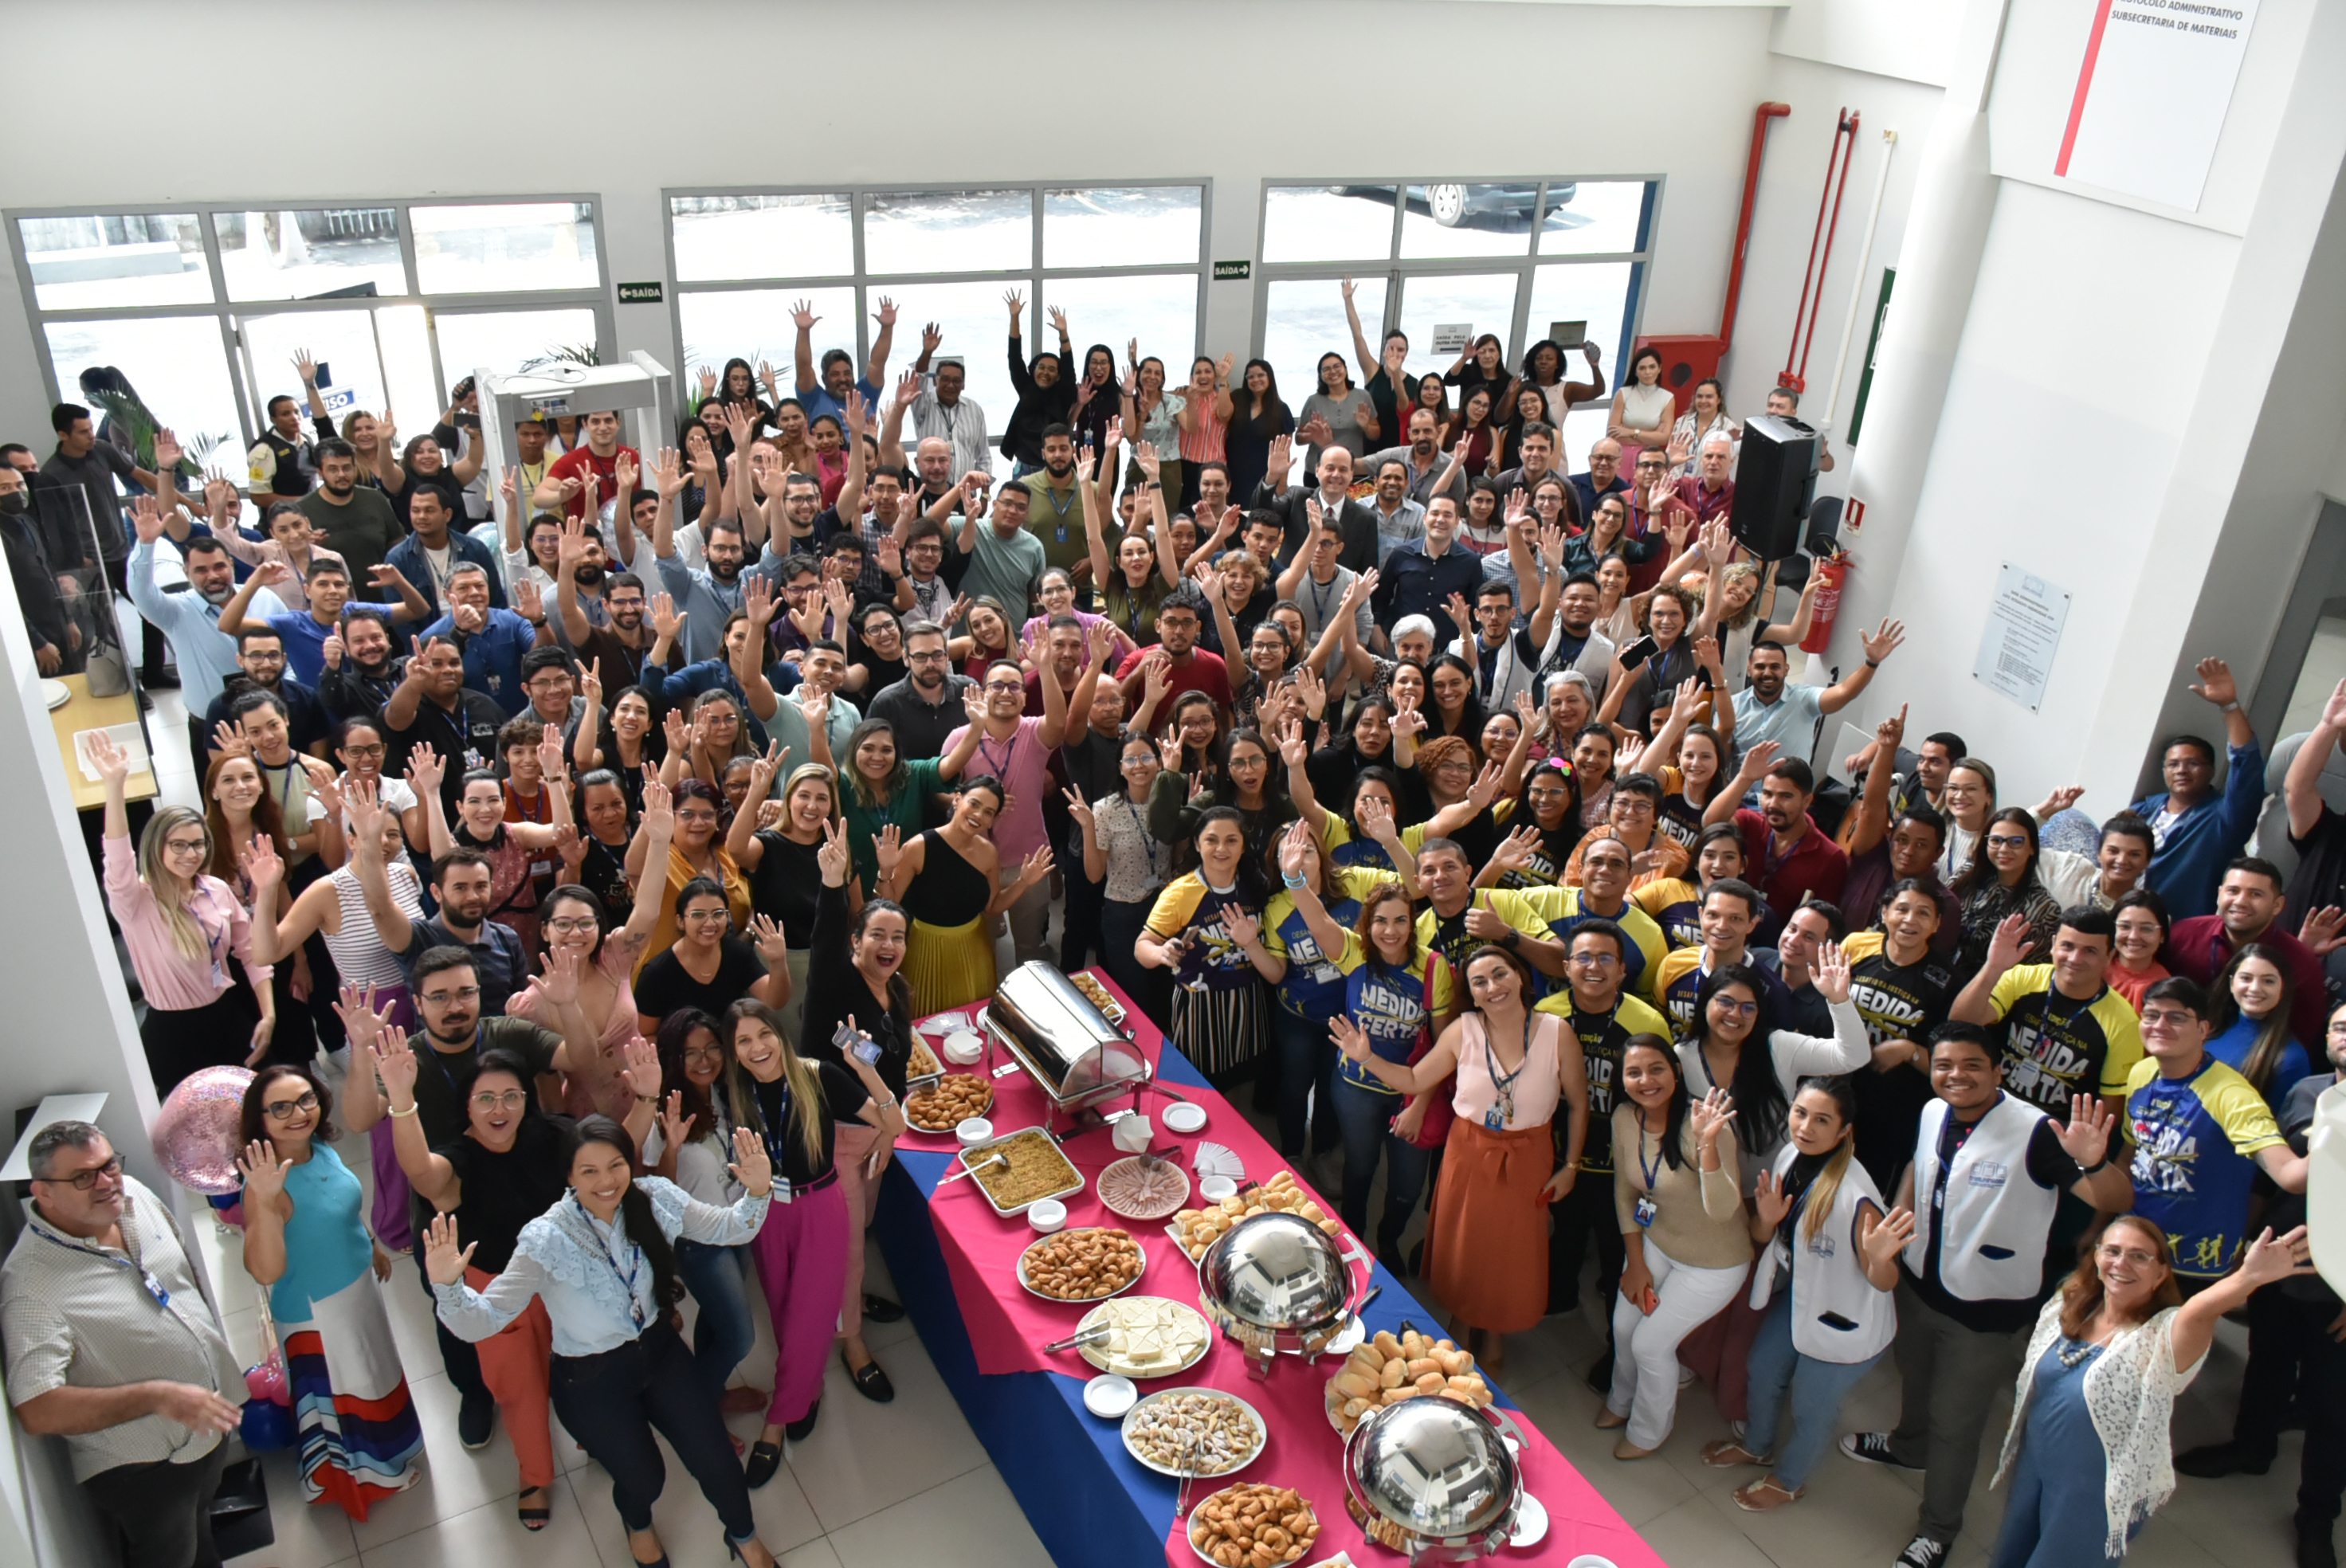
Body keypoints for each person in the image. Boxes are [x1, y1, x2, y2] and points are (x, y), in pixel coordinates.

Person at [426, 1112, 787, 1568]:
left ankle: (744, 1537)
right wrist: (448, 1287)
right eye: (588, 1171)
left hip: (659, 1352)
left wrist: (758, 1190)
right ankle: (638, 1525)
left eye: (616, 1165)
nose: (606, 1182)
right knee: (644, 1478)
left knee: (716, 1458)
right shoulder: (546, 1239)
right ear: (569, 1176)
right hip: (590, 1379)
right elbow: (485, 1318)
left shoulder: (653, 1198)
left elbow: (728, 1227)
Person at [1837, 1025, 2135, 1568]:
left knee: (1956, 1421)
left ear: (2000, 1071)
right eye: (1945, 1065)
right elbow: (1917, 1167)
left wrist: (2093, 1161)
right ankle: (1908, 1447)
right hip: (1920, 1284)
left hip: (1985, 1311)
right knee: (1916, 1378)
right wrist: (1897, 1222)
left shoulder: (2037, 1132)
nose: (1956, 1075)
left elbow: (2117, 1195)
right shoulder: (1932, 1111)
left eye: (1972, 1065)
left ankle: (1939, 1529)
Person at [1985, 1216, 2311, 1565]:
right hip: (2036, 1466)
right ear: (2096, 1257)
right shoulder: (2073, 1302)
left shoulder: (2160, 1337)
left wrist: (2248, 1278)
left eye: (2139, 1256)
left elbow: (2200, 1312)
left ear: (2160, 1273)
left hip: (2093, 1493)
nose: (2121, 1263)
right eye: (2112, 1250)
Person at [1, 1121, 245, 1568]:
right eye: (82, 1177)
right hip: (147, 1466)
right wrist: (155, 1396)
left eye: (108, 1165)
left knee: (202, 1536)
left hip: (206, 1425)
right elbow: (38, 1408)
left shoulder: (131, 1192)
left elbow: (181, 1271)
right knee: (171, 1556)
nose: (105, 1183)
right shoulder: (31, 1286)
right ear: (43, 1192)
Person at [1336, 944, 1587, 1372]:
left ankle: (1495, 1328)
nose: (1493, 987)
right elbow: (1415, 1078)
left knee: (1511, 1249)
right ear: (1470, 994)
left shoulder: (1556, 1032)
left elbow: (1579, 1104)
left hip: (1528, 1155)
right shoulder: (1463, 1029)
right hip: (1469, 1150)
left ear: (1520, 977)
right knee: (1467, 1242)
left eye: (1500, 974)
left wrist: (1571, 1167)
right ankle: (1464, 1317)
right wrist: (1369, 1058)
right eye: (1480, 982)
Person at [2171, 1002, 2346, 1568]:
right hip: (2279, 1263)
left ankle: (2316, 1515)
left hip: (2339, 1289)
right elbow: (2274, 1178)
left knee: (2333, 1408)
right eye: (2341, 1025)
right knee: (2265, 1365)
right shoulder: (2308, 1091)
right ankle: (2251, 1449)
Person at [1700, 1076, 1916, 1512]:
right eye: (1800, 1113)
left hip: (1847, 1320)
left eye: (1822, 1120)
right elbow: (1767, 1234)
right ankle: (1758, 1445)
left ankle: (1790, 1479)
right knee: (1761, 1369)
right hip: (1804, 1298)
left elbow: (1884, 1282)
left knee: (1811, 1406)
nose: (1806, 1127)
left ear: (1844, 1131)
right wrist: (1767, 1218)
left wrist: (1879, 1258)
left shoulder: (1856, 1199)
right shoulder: (1790, 1155)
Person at [230, 1067, 422, 1517]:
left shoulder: (318, 1147)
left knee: (373, 1374)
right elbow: (265, 1269)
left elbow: (339, 1208)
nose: (298, 1114)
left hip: (357, 1290)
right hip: (318, 1314)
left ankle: (390, 1452)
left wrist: (371, 1247)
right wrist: (261, 1200)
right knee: (347, 1393)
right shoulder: (263, 1184)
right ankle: (364, 1478)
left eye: (306, 1100)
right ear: (259, 1120)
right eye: (280, 1108)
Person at [718, 997, 896, 1466]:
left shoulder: (818, 1075)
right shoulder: (735, 1093)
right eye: (744, 1041)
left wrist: (865, 1069)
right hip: (767, 1211)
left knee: (809, 1313)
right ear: (733, 1051)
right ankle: (807, 1389)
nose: (758, 1048)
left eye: (763, 1034)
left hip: (820, 1207)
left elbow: (892, 1122)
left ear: (779, 1033)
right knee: (780, 1308)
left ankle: (777, 1420)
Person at [90, 731, 273, 1092]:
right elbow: (117, 857)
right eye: (178, 845)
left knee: (244, 1106)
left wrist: (268, 1013)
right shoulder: (136, 901)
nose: (191, 854)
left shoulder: (216, 890)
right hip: (173, 1031)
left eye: (198, 844)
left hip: (226, 1015)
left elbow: (252, 953)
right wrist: (115, 786)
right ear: (157, 847)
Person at [801, 820, 916, 1401]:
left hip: (878, 1134)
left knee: (861, 1227)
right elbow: (822, 944)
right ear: (856, 940)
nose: (889, 946)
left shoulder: (894, 990)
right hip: (839, 1135)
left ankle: (850, 1299)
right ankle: (851, 1340)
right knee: (847, 1248)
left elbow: (894, 1058)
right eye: (877, 935)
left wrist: (891, 1135)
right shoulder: (836, 985)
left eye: (898, 936)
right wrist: (830, 881)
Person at [1599, 1045, 1747, 1458]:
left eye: (1656, 1069)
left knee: (1650, 1344)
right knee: (1624, 1326)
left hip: (1713, 1263)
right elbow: (1626, 1190)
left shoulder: (1705, 1125)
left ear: (1676, 1071)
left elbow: (1722, 1212)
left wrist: (1708, 1148)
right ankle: (1619, 1402)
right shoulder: (1625, 1118)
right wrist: (1637, 1262)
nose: (1646, 1080)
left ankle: (1648, 1433)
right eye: (1634, 1072)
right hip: (1657, 1242)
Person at [2123, 977, 2309, 1288]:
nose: (2160, 1025)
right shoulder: (2142, 1072)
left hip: (2195, 1263)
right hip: (2134, 1247)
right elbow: (2130, 1153)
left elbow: (2290, 1175)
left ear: (2204, 1030)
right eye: (2151, 1015)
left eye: (2177, 1017)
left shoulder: (2232, 1095)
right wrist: (2100, 1226)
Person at [877, 776, 1052, 1013]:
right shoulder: (919, 847)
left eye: (989, 812)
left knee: (974, 1015)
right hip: (926, 947)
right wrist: (886, 871)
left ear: (992, 821)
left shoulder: (988, 853)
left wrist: (1023, 882)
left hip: (974, 947)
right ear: (957, 800)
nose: (979, 815)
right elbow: (887, 904)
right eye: (975, 804)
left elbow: (992, 907)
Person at [942, 653, 1071, 966]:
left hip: (1028, 861)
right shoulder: (962, 737)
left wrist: (1044, 666)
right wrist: (978, 806)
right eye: (996, 685)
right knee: (983, 948)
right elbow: (940, 793)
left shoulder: (1033, 732)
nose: (1005, 693)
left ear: (1025, 697)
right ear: (983, 692)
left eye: (1014, 687)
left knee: (1030, 948)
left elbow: (1058, 723)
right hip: (974, 860)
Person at [2128, 657, 2265, 919]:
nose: (2181, 770)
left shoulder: (2222, 820)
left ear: (2211, 771)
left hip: (2179, 933)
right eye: (2173, 764)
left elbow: (2246, 765)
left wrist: (2229, 706)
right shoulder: (2143, 811)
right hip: (2124, 925)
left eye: (2193, 763)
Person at [2166, 857, 2332, 1050]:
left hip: (2258, 1059)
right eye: (2233, 891)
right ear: (2219, 895)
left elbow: (2301, 1037)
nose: (2241, 901)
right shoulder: (2183, 935)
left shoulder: (2301, 964)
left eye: (2255, 894)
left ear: (2277, 905)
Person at [2205, 943, 2313, 1107]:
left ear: (2283, 988)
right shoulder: (2205, 1025)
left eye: (2268, 981)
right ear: (2231, 983)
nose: (2255, 988)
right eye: (2246, 978)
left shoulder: (2291, 1058)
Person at [297, 439, 407, 596]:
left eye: (347, 468)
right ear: (320, 472)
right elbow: (290, 560)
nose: (341, 475)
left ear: (355, 468)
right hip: (333, 601)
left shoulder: (375, 499)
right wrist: (306, 549)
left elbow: (397, 543)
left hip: (384, 598)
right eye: (333, 469)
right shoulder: (303, 510)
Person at [2109, 889, 2174, 1010]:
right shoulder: (2094, 966)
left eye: (2146, 929)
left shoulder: (2163, 989)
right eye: (2125, 926)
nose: (2133, 936)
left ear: (2162, 935)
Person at [1607, 346, 1675, 455]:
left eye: (1652, 367)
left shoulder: (1667, 398)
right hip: (1621, 454)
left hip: (1650, 456)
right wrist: (1652, 436)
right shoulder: (1623, 393)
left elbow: (1664, 438)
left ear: (1660, 369)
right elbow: (1613, 433)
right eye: (1642, 368)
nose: (1647, 372)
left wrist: (1631, 432)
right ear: (1635, 371)